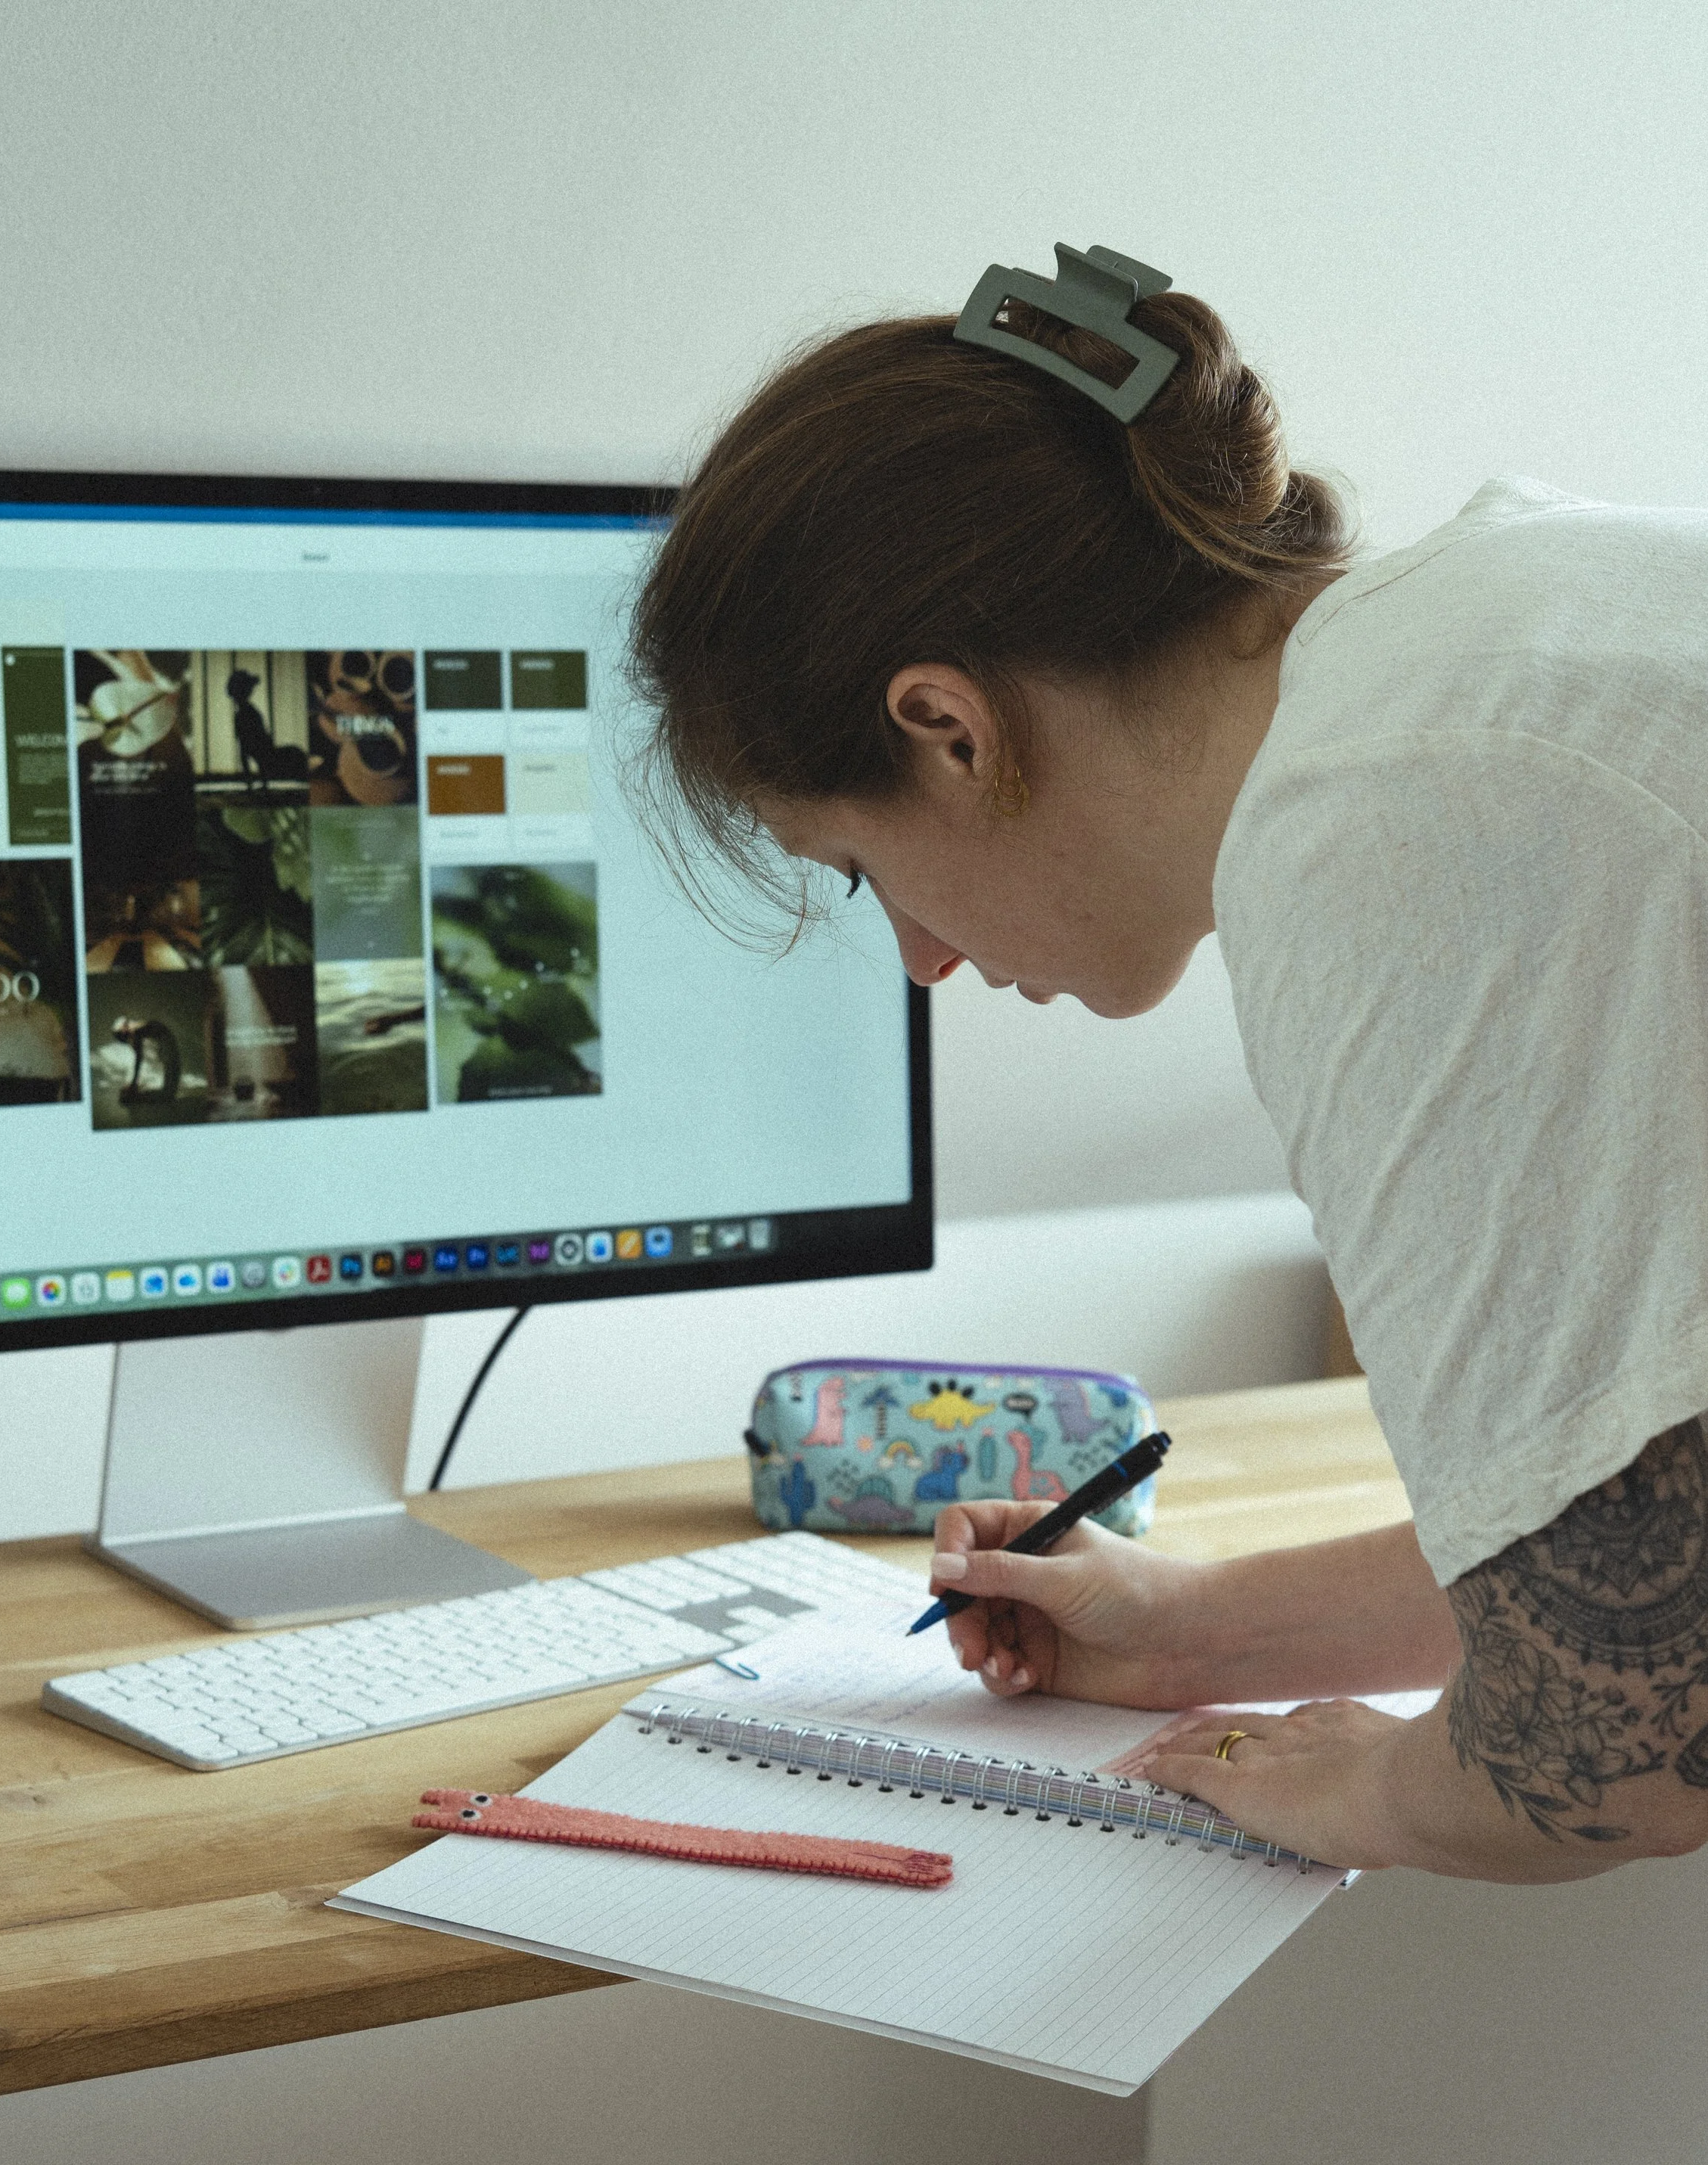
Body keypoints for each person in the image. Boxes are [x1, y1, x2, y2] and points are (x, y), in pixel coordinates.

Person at [629, 241, 1708, 1891]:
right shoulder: (1497, 636)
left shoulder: (1377, 827)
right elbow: (1640, 1530)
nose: (919, 961)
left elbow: (1612, 1749)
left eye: (857, 873)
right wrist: (1204, 1629)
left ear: (947, 727)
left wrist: (1365, 1786)